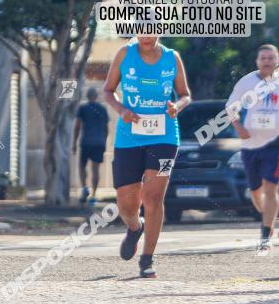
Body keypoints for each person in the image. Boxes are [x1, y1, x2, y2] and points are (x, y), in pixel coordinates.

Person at [102, 36, 191, 278]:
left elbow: (185, 94)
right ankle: (134, 227)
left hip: (164, 138)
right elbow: (108, 91)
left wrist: (177, 106)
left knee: (153, 198)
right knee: (126, 204)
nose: (147, 35)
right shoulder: (124, 53)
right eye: (142, 29)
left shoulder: (172, 57)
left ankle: (147, 258)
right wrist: (122, 110)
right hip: (129, 138)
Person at [225, 44, 279, 254]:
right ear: (257, 61)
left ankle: (265, 232)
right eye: (263, 58)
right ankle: (267, 219)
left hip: (276, 143)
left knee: (270, 189)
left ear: (277, 60)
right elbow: (231, 106)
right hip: (250, 144)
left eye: (271, 58)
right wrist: (239, 128)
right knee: (255, 193)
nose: (267, 61)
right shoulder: (247, 82)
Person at [72, 87, 109, 205]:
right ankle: (93, 195)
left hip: (86, 141)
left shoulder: (83, 108)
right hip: (99, 142)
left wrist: (74, 142)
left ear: (87, 96)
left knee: (82, 166)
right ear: (96, 96)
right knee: (95, 169)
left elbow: (77, 126)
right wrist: (103, 140)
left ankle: (84, 189)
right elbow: (106, 128)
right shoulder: (103, 109)